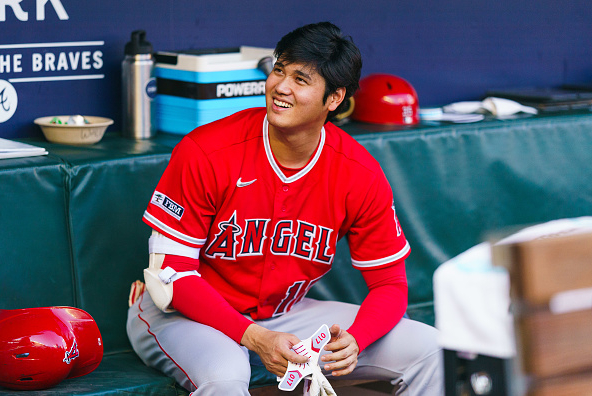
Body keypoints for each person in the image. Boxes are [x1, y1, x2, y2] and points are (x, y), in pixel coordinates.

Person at [127, 22, 443, 396]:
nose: (281, 87)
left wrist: (356, 340)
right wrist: (255, 337)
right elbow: (171, 276)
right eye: (279, 69)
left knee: (432, 349)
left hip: (283, 315)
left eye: (300, 78)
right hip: (185, 314)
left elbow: (390, 285)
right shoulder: (207, 151)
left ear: (334, 98)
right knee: (225, 377)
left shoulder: (358, 173)